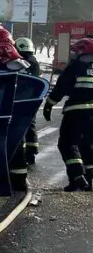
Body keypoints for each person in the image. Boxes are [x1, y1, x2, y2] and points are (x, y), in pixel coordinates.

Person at [44, 37, 93, 191]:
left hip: (75, 112)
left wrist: (49, 105)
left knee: (67, 143)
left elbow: (61, 88)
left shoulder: (75, 66)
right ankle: (87, 182)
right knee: (87, 145)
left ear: (80, 52)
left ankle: (77, 176)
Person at [0, 42, 37, 167]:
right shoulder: (24, 66)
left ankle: (15, 172)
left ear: (3, 57)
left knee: (13, 142)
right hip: (25, 107)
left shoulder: (9, 69)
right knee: (19, 140)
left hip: (13, 109)